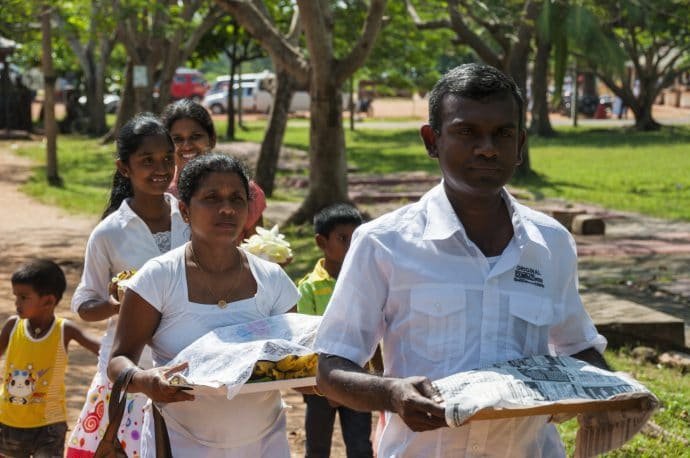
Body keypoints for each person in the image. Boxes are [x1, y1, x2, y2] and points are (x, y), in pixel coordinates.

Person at [314, 63, 609, 457]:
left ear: (520, 145)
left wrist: (618, 390)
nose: (487, 147)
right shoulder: (383, 243)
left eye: (502, 134)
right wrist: (392, 393)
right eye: (466, 131)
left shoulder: (550, 243)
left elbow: (578, 349)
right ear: (431, 141)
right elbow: (331, 369)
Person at [108, 153, 300, 457]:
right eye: (211, 197)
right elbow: (118, 360)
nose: (226, 208)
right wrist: (146, 381)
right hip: (177, 441)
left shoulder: (273, 280)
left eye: (237, 198)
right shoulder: (158, 278)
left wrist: (318, 381)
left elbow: (296, 359)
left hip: (263, 442)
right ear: (185, 210)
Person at [66, 114, 188, 457]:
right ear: (124, 167)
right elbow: (84, 303)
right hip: (131, 369)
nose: (160, 168)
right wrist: (121, 301)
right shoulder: (109, 233)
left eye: (167, 158)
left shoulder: (191, 218)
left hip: (185, 365)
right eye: (146, 161)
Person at [0, 260, 100, 457]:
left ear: (48, 301)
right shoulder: (12, 326)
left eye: (23, 297)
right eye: (16, 297)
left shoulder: (64, 329)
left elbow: (102, 349)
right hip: (9, 421)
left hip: (49, 426)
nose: (17, 303)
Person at [296, 203, 372, 458]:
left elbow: (375, 332)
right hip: (319, 382)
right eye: (343, 238)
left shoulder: (367, 283)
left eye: (356, 238)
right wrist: (323, 386)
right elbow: (306, 340)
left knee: (361, 447)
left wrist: (381, 375)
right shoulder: (309, 288)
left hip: (359, 377)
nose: (351, 246)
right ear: (321, 242)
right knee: (317, 448)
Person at [161, 98, 266, 241]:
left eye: (196, 136)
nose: (187, 146)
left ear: (212, 139)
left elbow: (259, 250)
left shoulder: (245, 191)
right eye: (177, 139)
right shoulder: (161, 194)